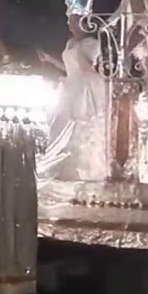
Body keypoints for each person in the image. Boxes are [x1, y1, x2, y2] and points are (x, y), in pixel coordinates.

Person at [40, 16, 109, 180]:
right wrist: (49, 60)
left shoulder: (90, 44)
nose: (70, 24)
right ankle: (57, 161)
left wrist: (82, 57)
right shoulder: (70, 43)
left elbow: (89, 67)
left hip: (82, 86)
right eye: (69, 21)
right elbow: (69, 67)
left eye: (73, 21)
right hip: (69, 84)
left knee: (77, 120)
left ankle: (78, 165)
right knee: (60, 119)